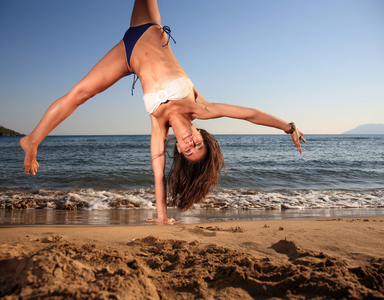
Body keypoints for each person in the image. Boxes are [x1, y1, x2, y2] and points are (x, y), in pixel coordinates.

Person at [20, 0, 306, 223]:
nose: (191, 143)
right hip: (150, 29)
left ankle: (32, 141)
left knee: (80, 93)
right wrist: (288, 127)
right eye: (199, 144)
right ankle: (33, 140)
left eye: (189, 150)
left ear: (180, 150)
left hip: (127, 56)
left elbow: (158, 176)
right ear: (200, 136)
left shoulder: (159, 129)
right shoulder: (201, 108)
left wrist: (162, 215)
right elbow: (248, 114)